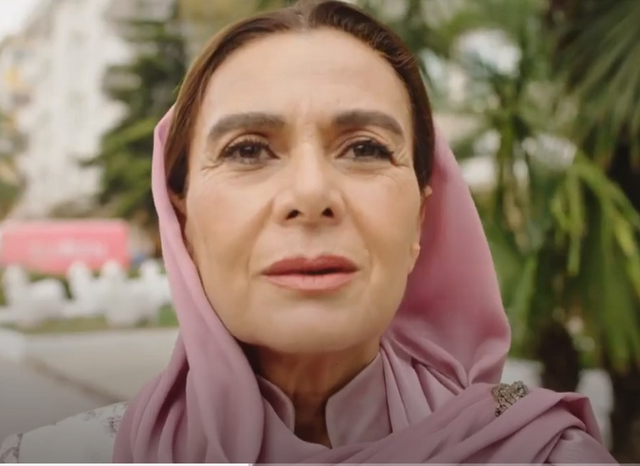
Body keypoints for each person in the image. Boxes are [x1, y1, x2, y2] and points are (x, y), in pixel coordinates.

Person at [0, 0, 617, 463]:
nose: (311, 195)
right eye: (247, 150)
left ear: (420, 222)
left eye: (366, 148)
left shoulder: (540, 454)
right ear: (181, 220)